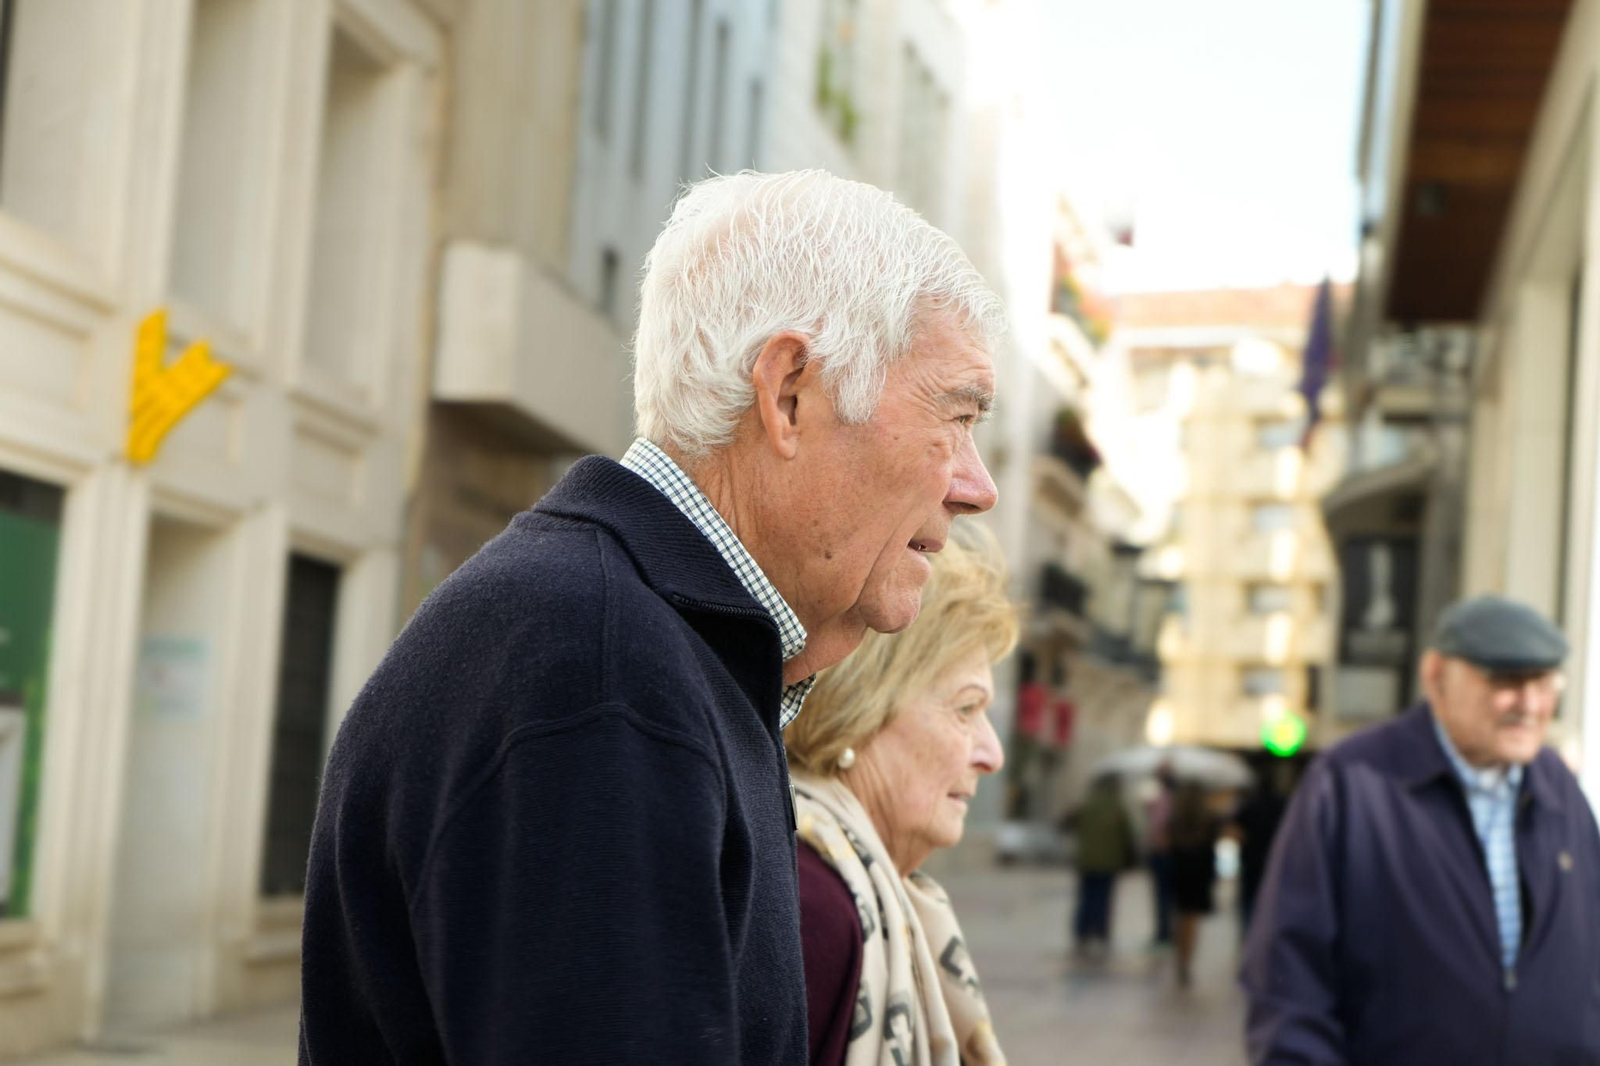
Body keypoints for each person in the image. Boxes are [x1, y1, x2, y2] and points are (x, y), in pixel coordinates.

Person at [297, 170, 1004, 1065]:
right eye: (956, 416)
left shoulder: (643, 647)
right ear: (789, 392)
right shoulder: (601, 676)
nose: (977, 487)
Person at [1243, 594, 1600, 1063]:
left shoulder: (1559, 788)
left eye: (1545, 683)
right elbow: (1289, 980)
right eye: (1507, 681)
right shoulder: (1351, 783)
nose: (1531, 704)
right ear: (1436, 677)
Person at [783, 528, 1014, 1065]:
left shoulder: (848, 887)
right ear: (861, 709)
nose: (992, 754)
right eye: (966, 709)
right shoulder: (813, 905)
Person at [1066, 774, 1137, 958]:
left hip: (1087, 860)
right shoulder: (1117, 806)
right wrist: (1132, 859)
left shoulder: (1087, 804)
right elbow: (1128, 835)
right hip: (1109, 862)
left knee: (1086, 898)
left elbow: (1068, 824)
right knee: (1103, 899)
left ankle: (1082, 932)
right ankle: (1100, 932)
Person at [1229, 760, 1295, 937]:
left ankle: (1250, 940)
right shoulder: (1284, 805)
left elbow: (1235, 832)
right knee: (1274, 905)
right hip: (1277, 863)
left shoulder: (1250, 805)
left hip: (1251, 861)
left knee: (1249, 905)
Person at [1168, 782, 1219, 986]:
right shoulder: (1208, 818)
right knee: (1192, 918)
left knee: (1180, 915)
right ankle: (1187, 958)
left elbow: (1169, 844)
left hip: (1180, 868)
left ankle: (1180, 955)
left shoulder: (1176, 818)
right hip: (1199, 871)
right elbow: (1212, 847)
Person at [1143, 764, 1176, 948]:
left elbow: (1157, 827)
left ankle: (1164, 933)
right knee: (1166, 896)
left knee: (1162, 896)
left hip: (1162, 852)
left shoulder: (1165, 799)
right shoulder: (1171, 798)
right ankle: (1166, 932)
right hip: (1167, 852)